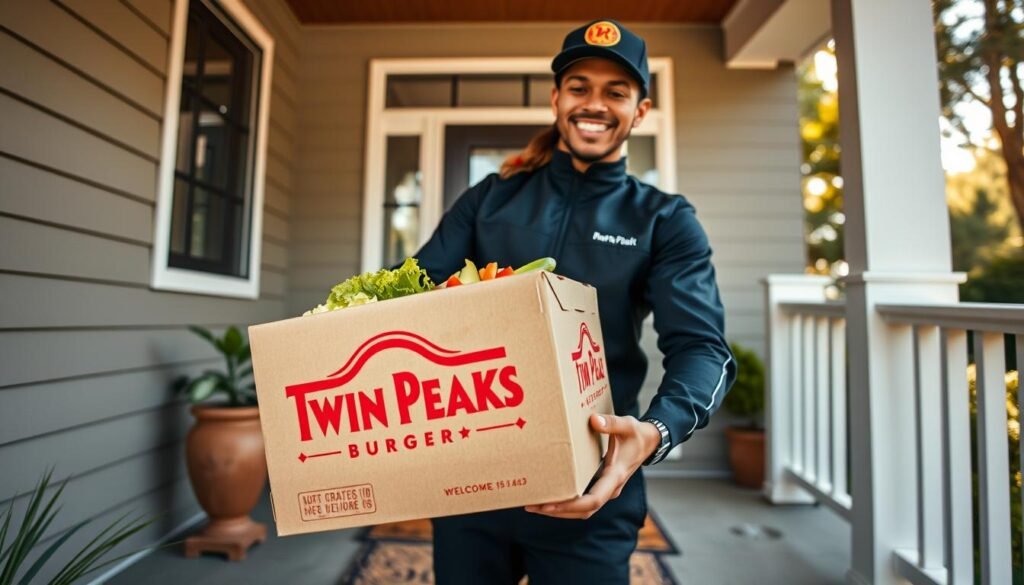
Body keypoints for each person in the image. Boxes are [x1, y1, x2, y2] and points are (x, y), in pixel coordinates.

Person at [411, 19, 737, 585]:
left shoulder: (663, 219)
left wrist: (655, 432)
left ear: (640, 111)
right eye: (580, 87)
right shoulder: (491, 198)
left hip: (594, 484)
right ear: (556, 99)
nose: (595, 104)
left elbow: (703, 349)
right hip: (473, 478)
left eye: (616, 92)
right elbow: (410, 292)